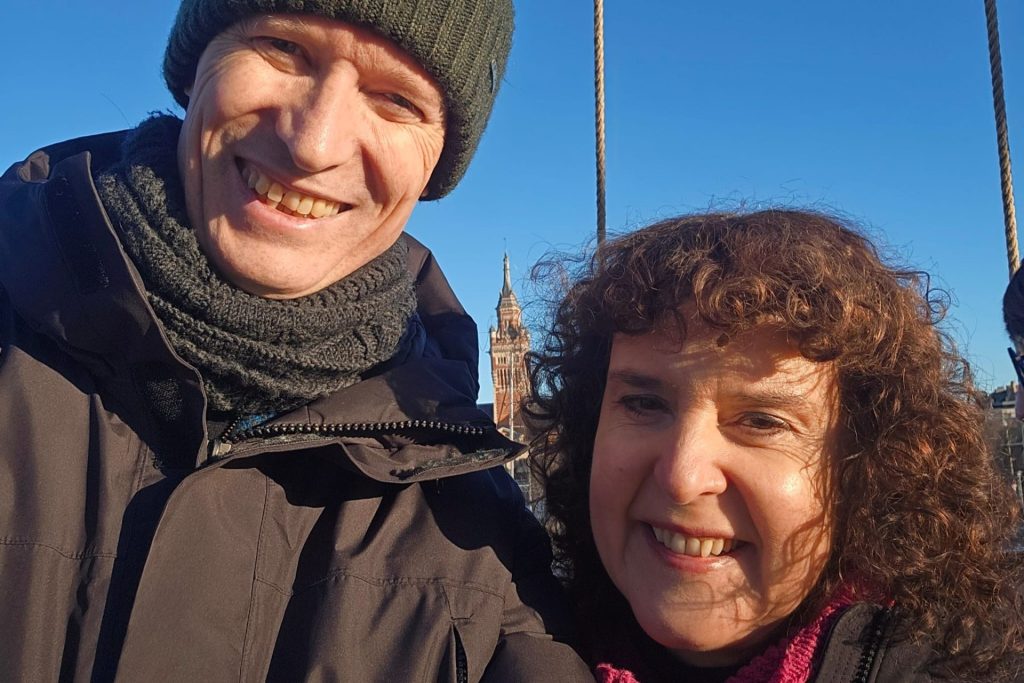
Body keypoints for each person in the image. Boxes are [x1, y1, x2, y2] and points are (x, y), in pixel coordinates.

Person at [0, 1, 591, 680]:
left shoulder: (486, 540)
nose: (314, 143)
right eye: (283, 48)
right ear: (195, 64)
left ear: (435, 166)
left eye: (396, 99)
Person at [527, 210, 1024, 682]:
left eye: (762, 421)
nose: (682, 476)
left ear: (866, 467)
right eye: (643, 404)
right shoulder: (502, 641)